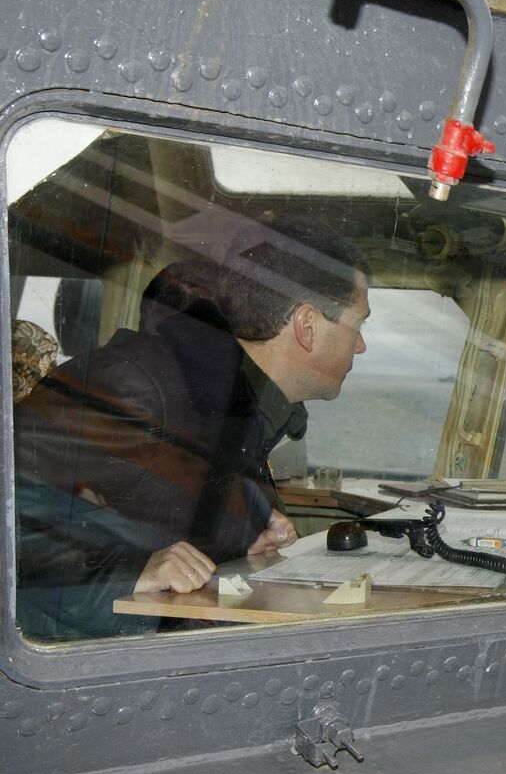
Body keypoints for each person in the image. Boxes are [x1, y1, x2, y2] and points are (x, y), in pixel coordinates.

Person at [13, 220, 371, 640]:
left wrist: (239, 540)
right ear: (307, 325)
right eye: (358, 324)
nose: (361, 346)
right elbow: (14, 513)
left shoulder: (240, 409)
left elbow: (142, 517)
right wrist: (127, 573)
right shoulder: (132, 383)